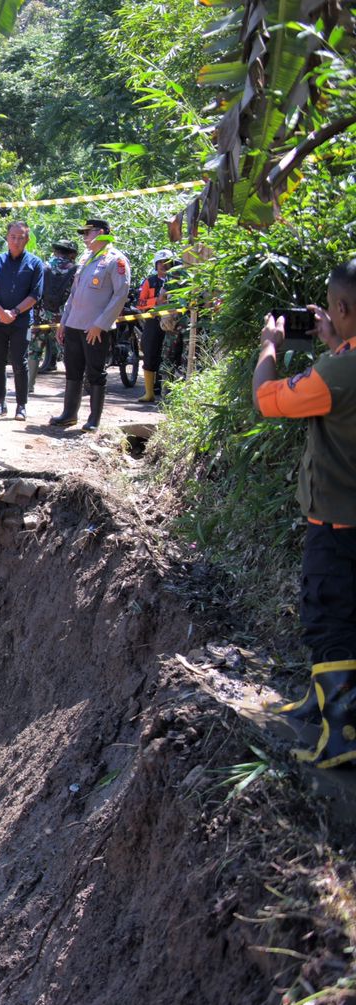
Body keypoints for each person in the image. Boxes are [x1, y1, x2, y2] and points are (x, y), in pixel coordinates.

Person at [254, 258, 356, 768]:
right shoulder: (342, 361)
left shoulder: (339, 372)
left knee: (330, 619)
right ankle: (321, 708)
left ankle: (342, 740)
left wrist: (269, 347)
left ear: (341, 307)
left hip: (338, 522)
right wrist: (335, 343)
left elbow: (267, 399)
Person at [50, 218, 129, 431]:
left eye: (87, 233)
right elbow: (74, 294)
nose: (84, 238)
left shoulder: (116, 260)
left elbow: (120, 295)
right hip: (74, 324)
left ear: (101, 233)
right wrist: (64, 322)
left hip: (95, 329)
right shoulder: (86, 258)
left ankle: (94, 420)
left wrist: (101, 324)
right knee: (72, 370)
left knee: (95, 372)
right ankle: (69, 415)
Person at [0, 220, 45, 421]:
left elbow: (35, 294)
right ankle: (0, 403)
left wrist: (15, 312)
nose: (16, 241)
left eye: (20, 237)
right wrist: (1, 312)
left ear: (27, 239)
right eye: (13, 237)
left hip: (21, 322)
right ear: (7, 238)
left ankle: (21, 405)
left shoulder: (35, 263)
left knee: (20, 362)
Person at [30, 238, 79, 376]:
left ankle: (29, 383)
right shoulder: (76, 269)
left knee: (34, 350)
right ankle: (73, 384)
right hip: (64, 317)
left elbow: (34, 291)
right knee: (68, 349)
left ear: (55, 251)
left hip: (41, 314)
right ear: (72, 254)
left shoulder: (42, 266)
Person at [136, 249, 177, 402]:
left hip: (173, 321)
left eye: (166, 262)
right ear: (156, 264)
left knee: (170, 354)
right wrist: (156, 302)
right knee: (149, 351)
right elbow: (140, 303)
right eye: (160, 262)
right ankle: (149, 393)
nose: (163, 265)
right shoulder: (150, 281)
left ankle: (168, 391)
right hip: (153, 320)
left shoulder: (178, 280)